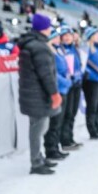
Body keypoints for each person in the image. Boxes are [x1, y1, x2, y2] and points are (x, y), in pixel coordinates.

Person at [17, 13, 63, 175]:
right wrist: (54, 93)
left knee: (38, 128)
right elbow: (46, 74)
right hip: (37, 95)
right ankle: (36, 163)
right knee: (38, 130)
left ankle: (39, 157)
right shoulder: (39, 47)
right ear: (44, 28)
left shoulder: (33, 44)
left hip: (33, 94)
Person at [43, 27, 72, 161]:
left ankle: (56, 147)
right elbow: (53, 74)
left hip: (63, 89)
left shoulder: (57, 50)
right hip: (58, 90)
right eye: (55, 36)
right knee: (54, 122)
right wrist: (66, 82)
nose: (58, 38)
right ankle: (51, 149)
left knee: (58, 121)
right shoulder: (50, 52)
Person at [59, 26, 85, 150]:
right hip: (67, 86)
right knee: (67, 113)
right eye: (64, 35)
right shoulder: (61, 50)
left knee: (73, 113)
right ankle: (64, 140)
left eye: (69, 35)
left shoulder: (75, 49)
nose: (67, 37)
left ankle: (69, 138)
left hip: (76, 85)